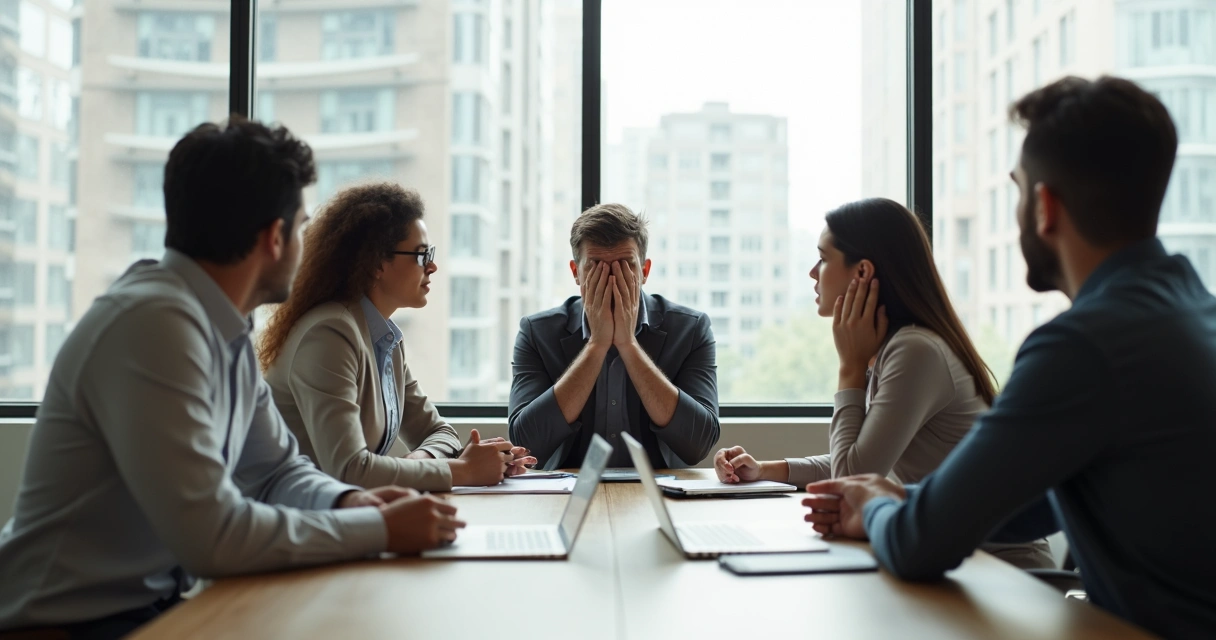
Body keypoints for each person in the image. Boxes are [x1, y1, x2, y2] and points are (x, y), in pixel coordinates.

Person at [0, 119, 465, 638]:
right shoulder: (153, 325)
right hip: (62, 624)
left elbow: (276, 472)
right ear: (274, 237)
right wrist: (375, 528)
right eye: (302, 226)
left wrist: (350, 501)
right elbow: (213, 536)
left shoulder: (224, 329)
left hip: (145, 610)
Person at [803, 76, 1216, 637]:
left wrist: (877, 509)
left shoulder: (1081, 346)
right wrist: (900, 495)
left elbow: (918, 546)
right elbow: (1044, 497)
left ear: (1044, 206)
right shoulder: (1193, 310)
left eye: (1019, 191)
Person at [712, 198, 1052, 570]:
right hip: (957, 563)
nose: (813, 272)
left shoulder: (915, 351)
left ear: (861, 273)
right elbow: (863, 460)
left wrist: (850, 367)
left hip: (1009, 575)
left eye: (823, 258)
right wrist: (765, 470)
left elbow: (852, 482)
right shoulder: (897, 347)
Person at [259, 183, 536, 490]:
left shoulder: (384, 338)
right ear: (377, 263)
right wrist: (463, 470)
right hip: (299, 522)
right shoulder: (329, 335)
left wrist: (427, 463)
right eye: (421, 255)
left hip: (345, 515)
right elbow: (349, 470)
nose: (432, 266)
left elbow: (440, 432)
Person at [509, 203, 720, 470]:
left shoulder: (690, 329)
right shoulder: (536, 332)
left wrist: (628, 345)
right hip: (565, 491)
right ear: (576, 273)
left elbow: (698, 444)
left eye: (624, 267)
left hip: (660, 490)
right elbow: (527, 444)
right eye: (596, 267)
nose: (611, 280)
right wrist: (596, 346)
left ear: (644, 271)